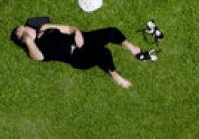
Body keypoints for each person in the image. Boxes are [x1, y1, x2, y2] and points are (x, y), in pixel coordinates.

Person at [10, 23, 155, 89]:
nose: (27, 29)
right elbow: (38, 57)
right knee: (103, 52)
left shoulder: (43, 27)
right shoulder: (35, 49)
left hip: (81, 39)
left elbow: (68, 28)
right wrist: (29, 41)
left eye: (25, 26)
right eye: (23, 32)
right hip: (77, 56)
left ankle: (132, 48)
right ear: (23, 40)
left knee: (111, 31)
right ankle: (114, 75)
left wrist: (77, 32)